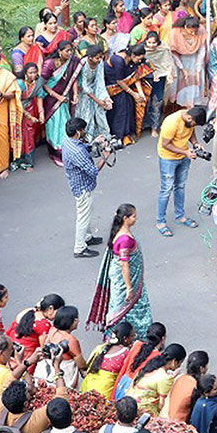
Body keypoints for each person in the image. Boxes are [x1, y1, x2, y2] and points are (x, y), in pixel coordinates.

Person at [88, 204, 153, 336]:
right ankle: (124, 334)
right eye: (133, 216)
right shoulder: (125, 239)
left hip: (124, 276)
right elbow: (124, 265)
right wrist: (129, 287)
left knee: (126, 304)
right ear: (125, 218)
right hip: (126, 279)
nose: (136, 219)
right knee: (123, 305)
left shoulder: (120, 232)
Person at [62, 117, 108, 258]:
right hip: (83, 187)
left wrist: (95, 142)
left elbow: (83, 147)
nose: (84, 132)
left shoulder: (68, 141)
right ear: (78, 131)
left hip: (78, 184)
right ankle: (79, 247)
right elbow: (93, 170)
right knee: (83, 216)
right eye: (82, 130)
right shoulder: (77, 151)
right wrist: (105, 156)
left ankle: (87, 237)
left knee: (87, 212)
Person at [155, 106, 202, 237]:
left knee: (180, 186)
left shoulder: (189, 119)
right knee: (166, 189)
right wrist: (185, 152)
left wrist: (195, 144)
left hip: (183, 157)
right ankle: (160, 222)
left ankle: (180, 216)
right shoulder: (171, 122)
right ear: (189, 117)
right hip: (168, 158)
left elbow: (191, 131)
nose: (194, 126)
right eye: (194, 123)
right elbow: (166, 144)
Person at [162, 350, 208, 422]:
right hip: (179, 423)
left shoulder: (180, 378)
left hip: (167, 416)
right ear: (202, 368)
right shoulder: (196, 386)